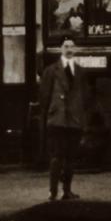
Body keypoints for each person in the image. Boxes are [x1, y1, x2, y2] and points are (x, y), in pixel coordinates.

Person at [37, 38, 88, 201]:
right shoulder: (51, 70)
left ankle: (67, 191)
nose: (69, 49)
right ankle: (53, 192)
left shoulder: (80, 71)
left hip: (75, 120)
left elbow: (86, 97)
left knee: (71, 158)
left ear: (76, 49)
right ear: (61, 48)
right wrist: (46, 118)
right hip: (57, 119)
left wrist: (82, 118)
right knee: (57, 157)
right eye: (66, 46)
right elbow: (44, 96)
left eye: (72, 46)